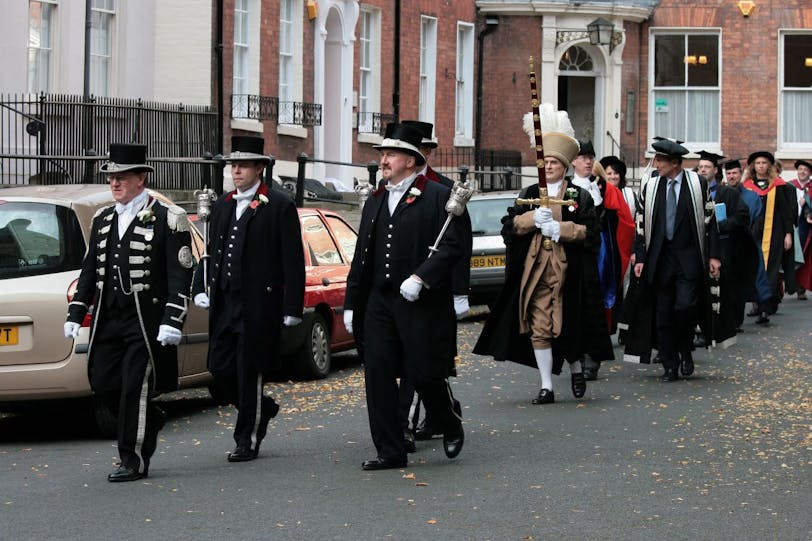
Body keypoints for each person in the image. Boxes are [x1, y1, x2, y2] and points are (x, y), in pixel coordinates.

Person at [64, 143, 193, 482]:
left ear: (140, 179)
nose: (114, 183)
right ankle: (150, 419)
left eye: (121, 177)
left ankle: (132, 459)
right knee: (103, 381)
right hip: (109, 317)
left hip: (144, 318)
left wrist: (172, 318)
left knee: (135, 386)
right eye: (111, 177)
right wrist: (76, 312)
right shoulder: (103, 218)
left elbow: (181, 273)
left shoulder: (168, 218)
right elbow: (90, 270)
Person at [343, 123, 465, 470]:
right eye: (382, 154)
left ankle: (448, 420)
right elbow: (362, 255)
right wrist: (352, 302)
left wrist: (422, 277)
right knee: (378, 373)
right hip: (379, 302)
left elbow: (453, 245)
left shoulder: (438, 196)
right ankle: (390, 450)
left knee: (423, 372)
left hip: (419, 302)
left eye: (391, 154)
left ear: (410, 160)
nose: (383, 160)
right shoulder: (376, 199)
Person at [474, 120, 612, 404]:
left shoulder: (579, 196)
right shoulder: (528, 194)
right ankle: (546, 385)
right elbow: (509, 229)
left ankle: (576, 368)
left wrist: (561, 229)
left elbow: (592, 234)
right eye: (544, 162)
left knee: (568, 324)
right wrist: (531, 219)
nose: (548, 167)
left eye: (554, 162)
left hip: (569, 274)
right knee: (539, 327)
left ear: (564, 166)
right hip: (535, 272)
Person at [192, 135, 305, 463]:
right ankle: (261, 407)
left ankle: (247, 439)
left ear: (259, 168)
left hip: (258, 305)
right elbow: (210, 252)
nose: (236, 171)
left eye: (243, 165)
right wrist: (200, 286)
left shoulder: (279, 204)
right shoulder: (224, 204)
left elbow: (292, 259)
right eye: (233, 165)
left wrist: (292, 306)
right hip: (226, 301)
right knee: (219, 367)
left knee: (249, 369)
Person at [397, 120, 470, 449]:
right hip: (400, 289)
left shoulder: (446, 189)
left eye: (423, 149)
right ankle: (440, 412)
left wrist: (460, 292)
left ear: (427, 152)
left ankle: (407, 424)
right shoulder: (390, 189)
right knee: (413, 361)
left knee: (425, 362)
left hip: (434, 290)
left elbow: (459, 245)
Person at [625, 138, 721, 381]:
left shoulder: (697, 184)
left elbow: (710, 221)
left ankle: (685, 348)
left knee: (685, 307)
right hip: (660, 259)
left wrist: (714, 255)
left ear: (675, 163)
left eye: (659, 160)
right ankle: (670, 364)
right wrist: (640, 256)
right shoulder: (651, 185)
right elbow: (640, 222)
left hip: (688, 258)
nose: (655, 164)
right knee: (663, 314)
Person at [584, 160, 634, 380]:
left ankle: (592, 356)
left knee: (597, 301)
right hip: (574, 252)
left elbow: (625, 223)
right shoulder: (566, 187)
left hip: (600, 253)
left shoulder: (610, 191)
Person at [742, 151, 798, 319]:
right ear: (753, 166)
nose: (761, 166)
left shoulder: (778, 185)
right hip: (753, 233)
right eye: (758, 163)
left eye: (764, 163)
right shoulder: (746, 186)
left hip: (774, 233)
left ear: (769, 166)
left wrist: (788, 234)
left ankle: (766, 307)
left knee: (771, 270)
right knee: (753, 268)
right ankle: (756, 304)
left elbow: (786, 213)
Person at [722, 159, 771, 330]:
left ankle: (763, 308)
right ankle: (735, 320)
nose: (731, 176)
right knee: (733, 282)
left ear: (741, 173)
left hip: (748, 241)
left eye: (734, 173)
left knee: (757, 275)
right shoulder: (722, 194)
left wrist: (750, 236)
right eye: (728, 173)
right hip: (728, 243)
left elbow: (758, 218)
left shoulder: (751, 195)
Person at [790, 159, 812, 298]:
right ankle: (792, 283)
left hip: (807, 227)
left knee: (805, 255)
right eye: (800, 169)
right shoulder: (790, 185)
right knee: (793, 255)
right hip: (792, 225)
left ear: (809, 173)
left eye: (805, 170)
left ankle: (801, 287)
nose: (802, 172)